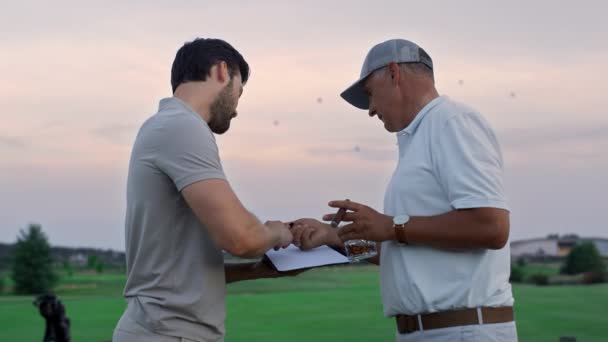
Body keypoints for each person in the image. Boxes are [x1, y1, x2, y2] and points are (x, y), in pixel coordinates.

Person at [291, 38, 517, 341]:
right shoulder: (420, 139)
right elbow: (396, 252)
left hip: (462, 331)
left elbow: (492, 228)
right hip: (429, 332)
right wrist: (333, 238)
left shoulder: (452, 122)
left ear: (395, 73)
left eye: (370, 94)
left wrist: (390, 225)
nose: (370, 109)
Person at [113, 38, 295, 342]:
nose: (237, 107)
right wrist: (278, 232)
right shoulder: (182, 127)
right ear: (223, 71)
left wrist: (259, 269)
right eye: (240, 91)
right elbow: (242, 237)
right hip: (168, 333)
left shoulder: (167, 127)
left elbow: (184, 271)